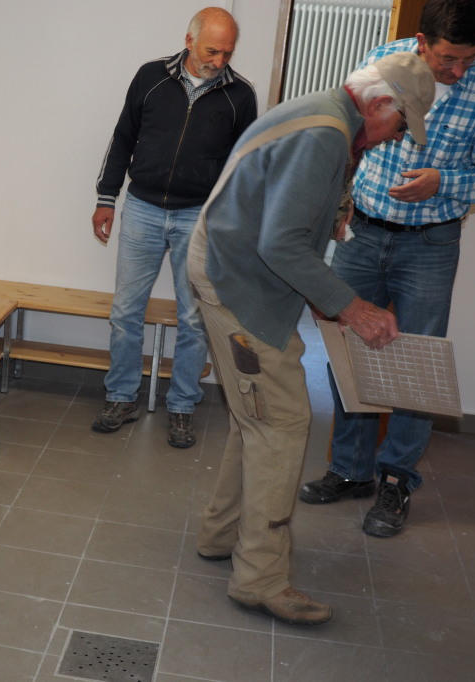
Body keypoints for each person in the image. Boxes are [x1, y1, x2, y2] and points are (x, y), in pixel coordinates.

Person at [188, 53, 436, 625]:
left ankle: (221, 535)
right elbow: (281, 245)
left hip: (229, 266)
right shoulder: (325, 134)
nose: (394, 137)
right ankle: (260, 579)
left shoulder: (324, 113)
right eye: (400, 125)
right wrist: (352, 307)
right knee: (281, 422)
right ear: (379, 104)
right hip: (236, 278)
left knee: (256, 415)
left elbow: (280, 220)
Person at [300, 0, 475, 538]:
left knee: (416, 364)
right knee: (348, 349)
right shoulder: (382, 61)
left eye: (469, 59)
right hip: (363, 232)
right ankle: (349, 469)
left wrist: (446, 182)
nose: (458, 71)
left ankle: (396, 480)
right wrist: (340, 203)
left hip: (430, 243)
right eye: (448, 59)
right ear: (422, 43)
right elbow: (348, 134)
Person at [91, 7, 258, 448]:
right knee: (126, 312)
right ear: (189, 41)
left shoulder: (240, 95)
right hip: (142, 209)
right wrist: (107, 198)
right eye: (211, 51)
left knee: (193, 318)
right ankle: (121, 397)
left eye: (227, 53)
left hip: (198, 218)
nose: (219, 61)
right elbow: (123, 137)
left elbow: (242, 166)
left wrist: (230, 222)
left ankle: (182, 405)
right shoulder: (150, 77)